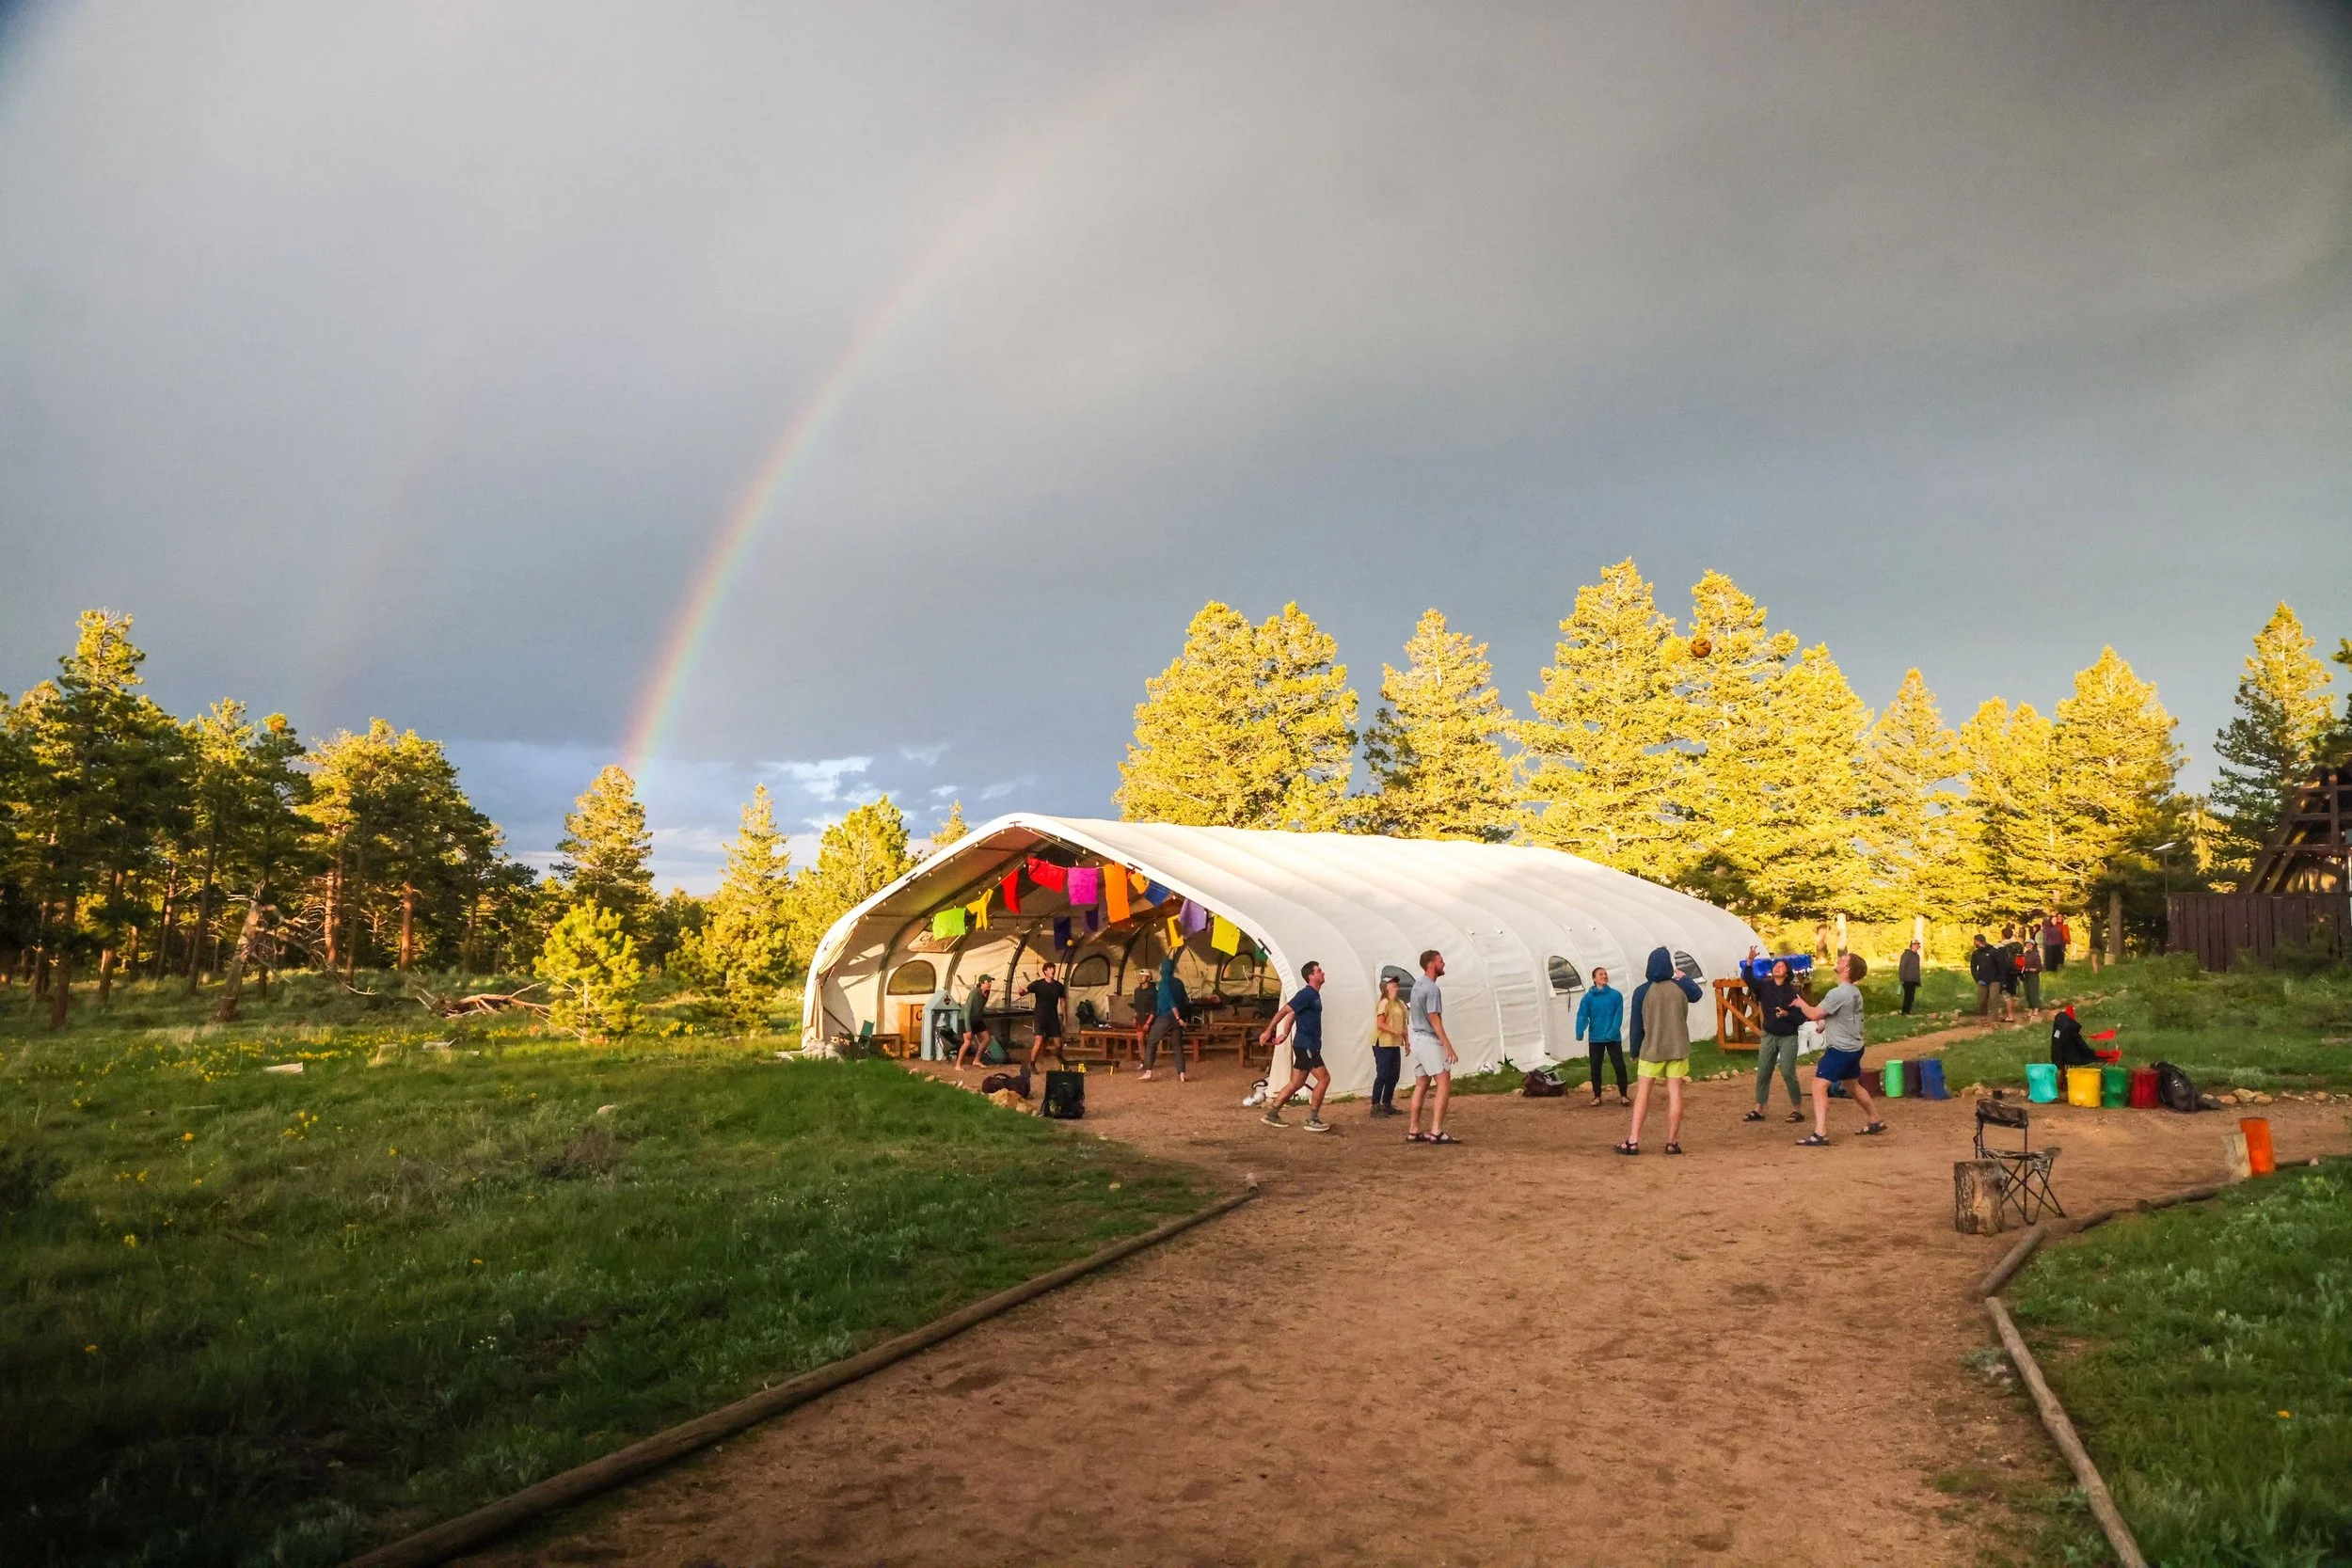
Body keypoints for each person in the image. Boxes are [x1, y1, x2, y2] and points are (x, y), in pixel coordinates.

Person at [1790, 953, 1884, 1145]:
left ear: (1847, 969)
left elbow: (1814, 1014)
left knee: (1818, 1085)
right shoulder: (1854, 992)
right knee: (1852, 1085)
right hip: (1855, 1046)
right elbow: (1846, 1015)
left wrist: (1801, 1003)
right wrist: (1826, 1024)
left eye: (1843, 960)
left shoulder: (1838, 993)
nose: (1839, 960)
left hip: (1841, 1049)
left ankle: (1820, 1133)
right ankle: (1875, 1120)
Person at [1616, 946, 1703, 1155]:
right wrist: (1685, 977)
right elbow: (1697, 994)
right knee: (1675, 1093)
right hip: (1678, 1048)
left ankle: (1633, 1140)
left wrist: (1635, 1051)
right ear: (1669, 966)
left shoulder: (1642, 991)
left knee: (1643, 1095)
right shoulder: (1680, 987)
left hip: (1652, 1049)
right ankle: (1672, 1142)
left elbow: (1637, 1025)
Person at [1258, 960, 1334, 1132]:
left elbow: (1293, 1012)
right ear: (1311, 976)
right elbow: (1284, 1011)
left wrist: (1285, 1033)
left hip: (1305, 1045)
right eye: (1319, 971)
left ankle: (1271, 1114)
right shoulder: (1307, 994)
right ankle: (1312, 1120)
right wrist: (1269, 1031)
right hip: (1306, 1045)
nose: (1323, 973)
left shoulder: (1312, 995)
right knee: (1324, 1079)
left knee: (1296, 1084)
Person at [1405, 948, 1461, 1145]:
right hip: (1428, 1040)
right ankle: (1436, 1130)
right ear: (1431, 964)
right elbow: (1434, 1017)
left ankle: (1414, 1129)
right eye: (1440, 961)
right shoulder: (1432, 988)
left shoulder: (1416, 985)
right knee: (1443, 1081)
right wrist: (1448, 1046)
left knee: (1421, 1084)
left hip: (1417, 1039)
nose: (1443, 964)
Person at [1743, 958, 1805, 1123]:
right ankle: (1759, 1109)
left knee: (1787, 1072)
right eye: (1776, 965)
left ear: (1787, 973)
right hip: (1769, 1035)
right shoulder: (1765, 986)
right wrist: (1749, 962)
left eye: (1781, 966)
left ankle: (1798, 1109)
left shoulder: (1792, 991)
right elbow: (1748, 979)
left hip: (1788, 1037)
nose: (1777, 967)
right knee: (1763, 1071)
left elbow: (1801, 1017)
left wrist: (1787, 1014)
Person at [1575, 965, 1629, 1107]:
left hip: (1613, 1037)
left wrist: (1612, 1032)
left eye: (1605, 974)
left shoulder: (1616, 995)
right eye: (1600, 974)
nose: (1604, 976)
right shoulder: (1588, 998)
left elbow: (1618, 1016)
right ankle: (1597, 1096)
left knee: (1619, 1066)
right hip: (1595, 1037)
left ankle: (1624, 1095)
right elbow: (1582, 1015)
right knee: (1595, 1068)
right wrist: (1579, 1031)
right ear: (1594, 979)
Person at [1140, 956, 1189, 1082]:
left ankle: (1148, 1071)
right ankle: (1182, 1073)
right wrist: (1181, 1017)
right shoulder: (1179, 982)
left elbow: (1171, 1001)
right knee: (1177, 1046)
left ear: (1164, 968)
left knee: (1152, 1042)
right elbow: (1185, 1000)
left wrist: (1178, 1018)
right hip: (1176, 1019)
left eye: (1161, 966)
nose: (1160, 968)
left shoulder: (1164, 983)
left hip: (1166, 1017)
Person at [1369, 974, 1408, 1117]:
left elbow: (1404, 1024)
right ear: (1385, 987)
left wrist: (1406, 1040)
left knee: (1394, 1075)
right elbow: (1380, 1024)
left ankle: (1387, 1103)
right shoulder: (1384, 1003)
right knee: (1383, 1074)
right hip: (1382, 1043)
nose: (1395, 986)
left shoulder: (1400, 1004)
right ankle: (1375, 1105)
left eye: (1396, 984)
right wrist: (1395, 1031)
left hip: (1393, 1043)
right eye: (1392, 984)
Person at [1024, 961, 1067, 1070]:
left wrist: (1065, 1017)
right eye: (1050, 969)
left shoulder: (1059, 986)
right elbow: (1025, 991)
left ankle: (1060, 1058)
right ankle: (1032, 1063)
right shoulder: (1038, 984)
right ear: (1045, 972)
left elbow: (1062, 1001)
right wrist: (1021, 992)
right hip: (1039, 1017)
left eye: (1053, 969)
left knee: (1058, 1042)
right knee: (1039, 1040)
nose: (1052, 970)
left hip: (1052, 1017)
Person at [953, 974, 995, 1069]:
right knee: (967, 1042)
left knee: (987, 1038)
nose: (990, 984)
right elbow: (967, 1011)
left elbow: (980, 1008)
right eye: (988, 982)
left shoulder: (987, 993)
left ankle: (976, 1060)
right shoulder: (974, 993)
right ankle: (958, 1065)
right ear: (981, 983)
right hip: (965, 1019)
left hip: (977, 1019)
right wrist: (968, 1029)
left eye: (990, 982)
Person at [1995, 926, 2022, 1023]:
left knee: (2001, 994)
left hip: (2002, 974)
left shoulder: (1999, 946)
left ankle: (2000, 1014)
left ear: (2002, 935)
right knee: (2011, 995)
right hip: (2014, 973)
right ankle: (2010, 1015)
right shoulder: (2017, 946)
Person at [1969, 934, 1996, 1018]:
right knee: (1982, 999)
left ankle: (1994, 1018)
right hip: (1982, 978)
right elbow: (1973, 967)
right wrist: (1977, 979)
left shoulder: (1993, 951)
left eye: (1974, 941)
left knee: (1993, 998)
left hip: (1994, 978)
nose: (1974, 943)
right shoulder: (1976, 953)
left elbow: (1999, 964)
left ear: (1977, 941)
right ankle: (1983, 1017)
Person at [2019, 934, 2043, 1019]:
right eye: (2026, 944)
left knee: (2034, 992)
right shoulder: (2024, 954)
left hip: (2033, 976)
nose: (2028, 946)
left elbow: (2039, 968)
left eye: (2030, 944)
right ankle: (2030, 1007)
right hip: (2026, 976)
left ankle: (2036, 1008)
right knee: (2027, 992)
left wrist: (2028, 969)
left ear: (2033, 946)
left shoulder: (2036, 955)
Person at [1898, 940, 1922, 1016]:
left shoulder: (1917, 956)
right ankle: (1905, 1012)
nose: (1917, 946)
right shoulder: (1906, 954)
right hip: (1907, 979)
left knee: (1911, 997)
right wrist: (1901, 978)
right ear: (1912, 945)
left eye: (1918, 945)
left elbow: (1917, 969)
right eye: (1915, 944)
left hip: (1914, 979)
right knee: (1908, 996)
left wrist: (1918, 980)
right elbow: (1902, 967)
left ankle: (1907, 1011)